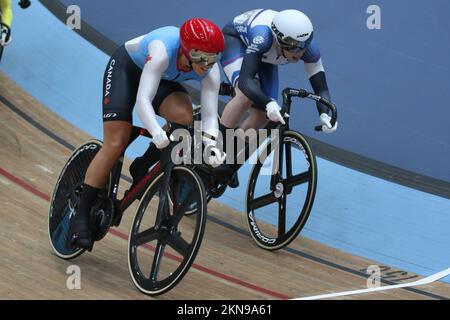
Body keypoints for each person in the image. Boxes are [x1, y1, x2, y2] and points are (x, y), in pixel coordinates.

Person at [68, 18, 226, 250]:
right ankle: (80, 217)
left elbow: (211, 116)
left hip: (161, 79)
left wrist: (211, 146)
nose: (207, 64)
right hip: (127, 70)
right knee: (116, 141)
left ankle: (143, 165)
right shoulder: (163, 50)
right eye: (201, 57)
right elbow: (143, 100)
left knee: (184, 118)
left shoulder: (210, 71)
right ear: (185, 49)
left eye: (213, 58)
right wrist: (154, 130)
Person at [218, 9, 338, 184]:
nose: (301, 53)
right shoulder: (263, 37)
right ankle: (212, 150)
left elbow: (321, 88)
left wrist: (324, 114)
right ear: (280, 41)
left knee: (263, 116)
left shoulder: (306, 47)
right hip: (238, 42)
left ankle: (229, 157)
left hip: (268, 57)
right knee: (245, 96)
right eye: (295, 48)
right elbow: (245, 80)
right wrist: (267, 102)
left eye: (304, 46)